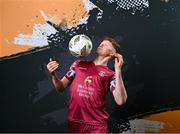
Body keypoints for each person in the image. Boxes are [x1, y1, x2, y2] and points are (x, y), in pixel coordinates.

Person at [46, 37, 127, 133]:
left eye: (106, 44)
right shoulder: (78, 64)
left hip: (97, 125)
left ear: (113, 53)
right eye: (101, 43)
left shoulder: (111, 75)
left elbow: (120, 100)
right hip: (75, 122)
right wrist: (53, 75)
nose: (101, 44)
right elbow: (61, 87)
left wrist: (118, 70)